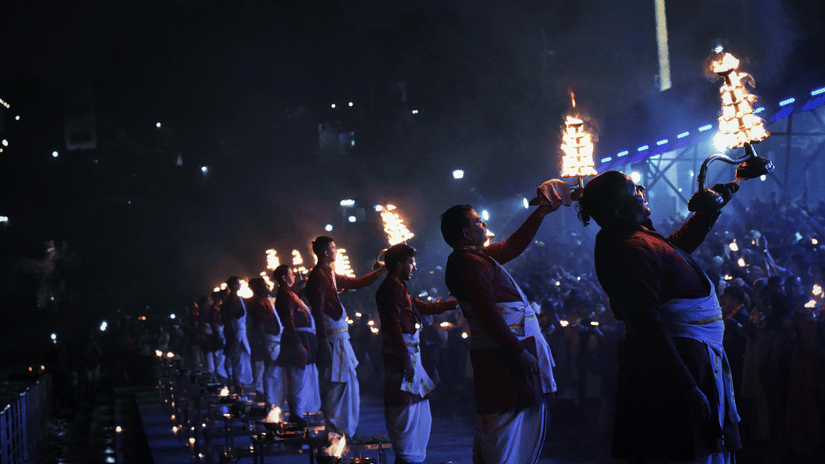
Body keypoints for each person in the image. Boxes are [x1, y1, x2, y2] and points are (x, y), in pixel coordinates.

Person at [576, 170, 742, 463]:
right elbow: (648, 322)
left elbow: (674, 248)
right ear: (619, 211)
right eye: (633, 190)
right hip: (678, 363)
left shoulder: (635, 239)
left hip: (689, 354)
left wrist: (724, 192)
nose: (641, 189)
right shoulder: (627, 248)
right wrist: (687, 385)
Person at [441, 199, 564, 464]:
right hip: (504, 358)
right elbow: (487, 311)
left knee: (512, 429)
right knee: (503, 430)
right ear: (465, 233)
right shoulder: (468, 263)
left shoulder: (475, 258)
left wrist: (541, 211)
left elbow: (512, 246)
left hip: (506, 353)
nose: (484, 224)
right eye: (477, 221)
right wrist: (518, 351)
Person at [375, 243, 457, 464]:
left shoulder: (399, 288)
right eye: (412, 263)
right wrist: (404, 358)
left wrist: (456, 301)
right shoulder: (390, 290)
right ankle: (407, 460)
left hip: (409, 358)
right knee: (404, 411)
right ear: (400, 265)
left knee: (418, 410)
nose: (415, 268)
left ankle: (412, 459)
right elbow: (392, 327)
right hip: (402, 360)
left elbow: (425, 308)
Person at [305, 236, 386, 437]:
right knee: (336, 384)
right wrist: (323, 342)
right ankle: (333, 431)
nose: (336, 251)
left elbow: (356, 283)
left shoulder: (328, 273)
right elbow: (318, 310)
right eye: (333, 248)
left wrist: (380, 270)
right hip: (333, 339)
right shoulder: (318, 276)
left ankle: (343, 430)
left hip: (339, 338)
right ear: (325, 252)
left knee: (346, 383)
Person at [273, 264, 322, 426]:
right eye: (291, 274)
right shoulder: (284, 295)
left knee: (302, 378)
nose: (294, 276)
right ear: (284, 278)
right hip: (297, 341)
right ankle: (297, 415)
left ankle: (300, 413)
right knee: (297, 378)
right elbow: (288, 321)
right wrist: (298, 345)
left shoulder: (289, 293)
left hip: (303, 340)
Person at [246, 277, 283, 403]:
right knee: (269, 373)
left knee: (276, 373)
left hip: (275, 341)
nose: (267, 287)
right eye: (264, 285)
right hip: (269, 342)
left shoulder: (267, 300)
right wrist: (265, 348)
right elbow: (259, 327)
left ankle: (274, 402)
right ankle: (269, 402)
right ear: (257, 289)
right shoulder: (258, 303)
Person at [222, 276, 254, 392]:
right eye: (238, 283)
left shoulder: (236, 298)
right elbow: (230, 318)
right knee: (238, 359)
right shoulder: (232, 299)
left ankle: (239, 383)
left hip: (240, 332)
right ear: (234, 285)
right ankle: (237, 384)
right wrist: (234, 335)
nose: (240, 285)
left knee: (242, 359)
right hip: (237, 333)